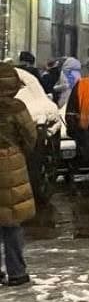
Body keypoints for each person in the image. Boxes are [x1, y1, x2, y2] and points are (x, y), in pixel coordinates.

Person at [0, 63, 38, 286]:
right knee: (11, 222)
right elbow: (30, 136)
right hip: (11, 163)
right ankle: (16, 273)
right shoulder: (16, 107)